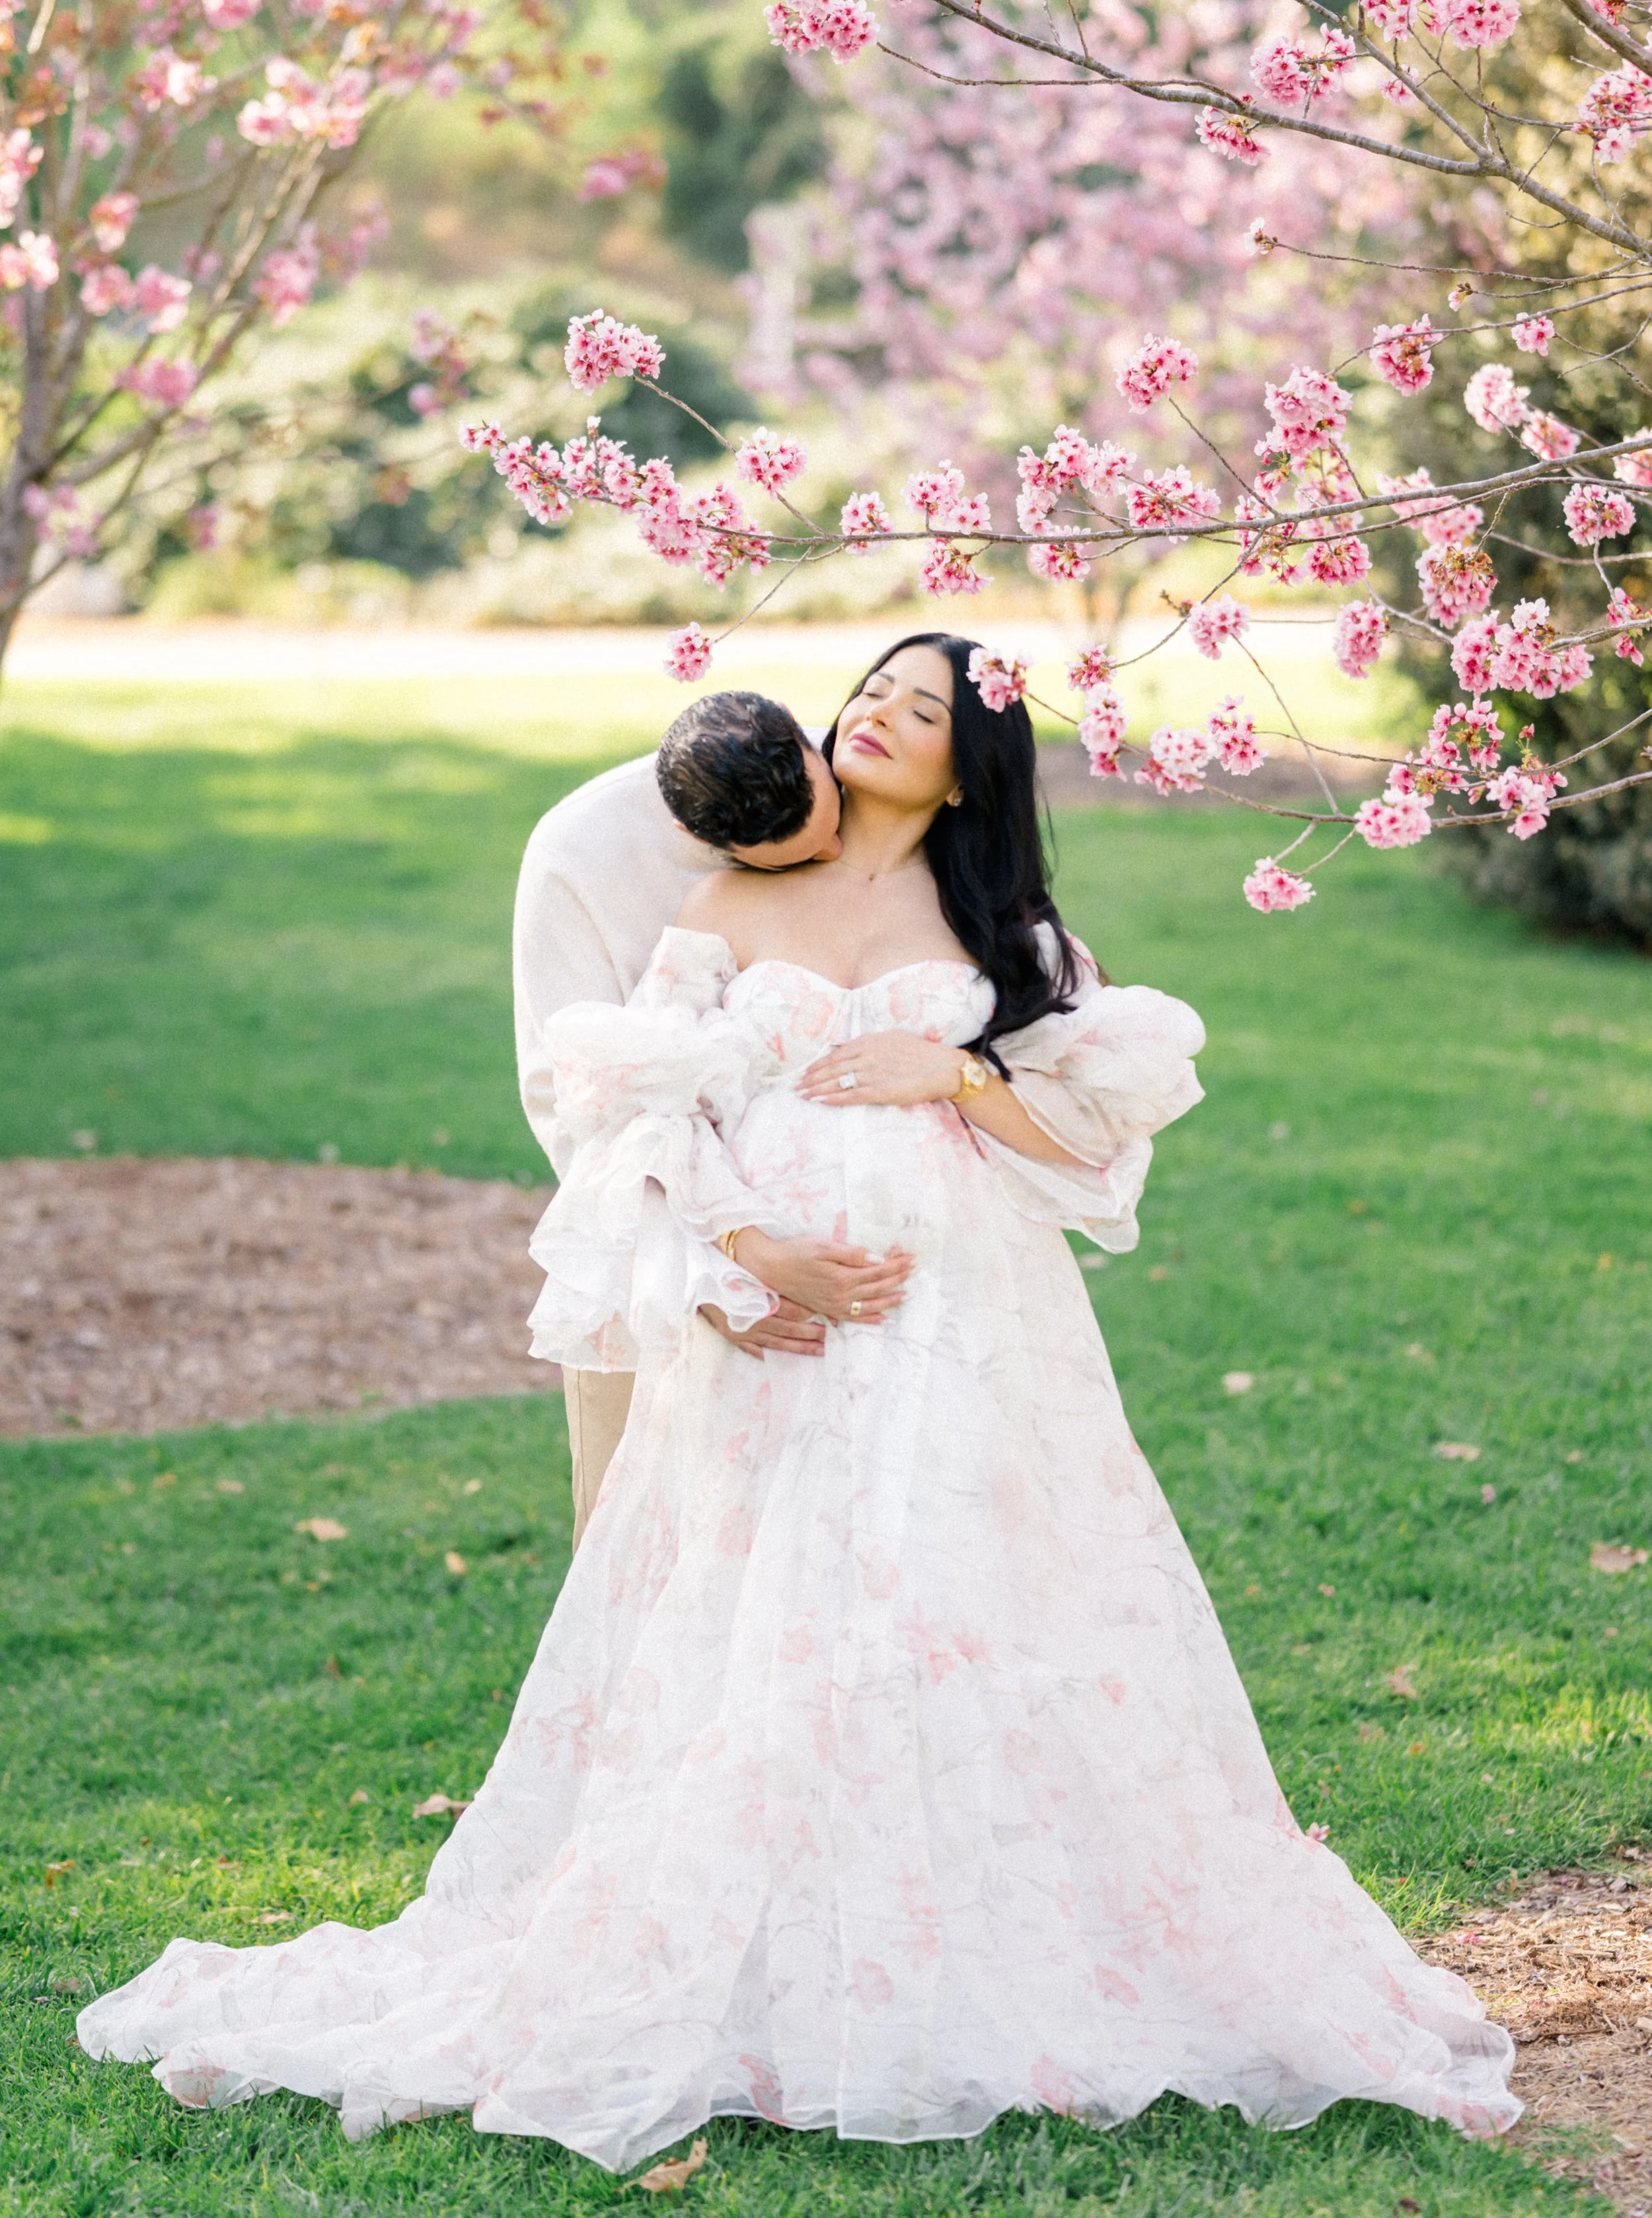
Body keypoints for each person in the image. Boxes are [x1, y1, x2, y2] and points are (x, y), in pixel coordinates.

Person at [79, 632, 1521, 2170]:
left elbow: (1094, 1150)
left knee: (942, 1604)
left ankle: (961, 1942)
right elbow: (626, 1105)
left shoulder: (1001, 926)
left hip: (957, 1320)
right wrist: (744, 1258)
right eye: (871, 695)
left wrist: (954, 1077)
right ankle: (760, 1951)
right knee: (755, 1621)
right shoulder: (729, 895)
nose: (878, 721)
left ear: (973, 756)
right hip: (768, 1325)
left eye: (920, 708)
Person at [512, 688, 848, 1544]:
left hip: (833, 1245)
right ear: (715, 849)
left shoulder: (850, 767)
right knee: (643, 1552)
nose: (844, 853)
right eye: (807, 859)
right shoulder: (577, 854)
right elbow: (569, 1096)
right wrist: (705, 1270)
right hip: (653, 1247)